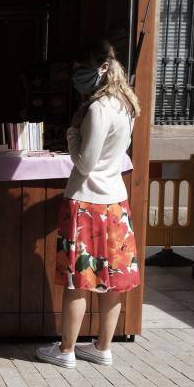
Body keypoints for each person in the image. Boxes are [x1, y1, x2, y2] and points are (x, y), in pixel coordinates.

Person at [37, 39, 141, 369]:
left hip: (85, 203)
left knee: (77, 281)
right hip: (115, 204)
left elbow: (84, 162)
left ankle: (67, 350)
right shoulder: (127, 104)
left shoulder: (98, 108)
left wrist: (71, 131)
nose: (76, 76)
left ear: (99, 69)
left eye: (80, 70)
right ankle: (103, 347)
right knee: (113, 280)